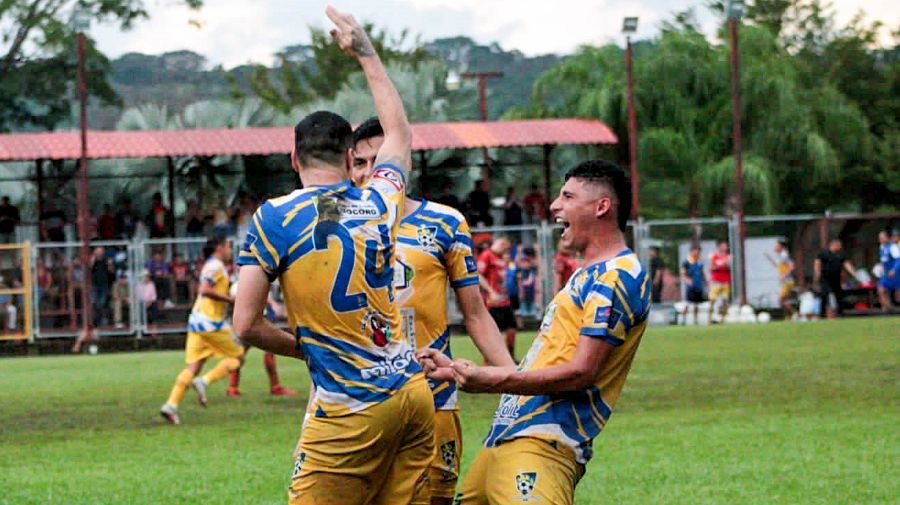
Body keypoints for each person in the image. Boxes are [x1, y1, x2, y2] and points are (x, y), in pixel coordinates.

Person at [232, 9, 433, 504]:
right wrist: (366, 53)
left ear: (294, 159)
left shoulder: (275, 217)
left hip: (350, 406)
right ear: (349, 160)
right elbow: (400, 134)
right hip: (411, 395)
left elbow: (245, 325)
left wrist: (306, 348)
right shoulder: (379, 198)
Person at [419, 160, 651, 505]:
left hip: (541, 446)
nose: (554, 205)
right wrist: (457, 371)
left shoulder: (617, 276)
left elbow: (581, 372)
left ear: (602, 206)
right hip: (505, 440)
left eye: (567, 196)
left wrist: (492, 381)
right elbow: (547, 362)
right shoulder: (587, 274)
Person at [346, 116, 515, 504]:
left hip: (435, 395)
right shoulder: (335, 226)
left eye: (380, 160)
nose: (369, 172)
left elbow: (475, 314)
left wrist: (514, 382)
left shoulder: (445, 223)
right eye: (360, 162)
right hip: (361, 399)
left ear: (402, 161)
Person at [159, 236, 244, 425]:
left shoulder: (211, 265)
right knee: (238, 357)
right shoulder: (216, 266)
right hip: (210, 323)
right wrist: (230, 300)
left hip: (196, 321)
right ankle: (204, 381)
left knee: (194, 366)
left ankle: (171, 405)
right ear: (219, 248)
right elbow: (204, 290)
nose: (230, 250)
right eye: (228, 246)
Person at [227, 286, 296, 397]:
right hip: (254, 322)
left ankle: (232, 388)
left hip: (248, 322)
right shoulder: (241, 284)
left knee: (241, 354)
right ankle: (275, 387)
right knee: (264, 353)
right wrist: (272, 303)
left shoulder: (238, 284)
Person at [479, 236, 518, 362]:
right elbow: (478, 275)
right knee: (493, 334)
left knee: (512, 329)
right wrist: (491, 292)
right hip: (493, 303)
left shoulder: (501, 258)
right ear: (502, 244)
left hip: (505, 300)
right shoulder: (487, 255)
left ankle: (511, 359)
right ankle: (487, 362)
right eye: (506, 248)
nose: (507, 252)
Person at [813, 238, 857, 319]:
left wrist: (855, 273)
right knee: (825, 295)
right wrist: (817, 273)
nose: (840, 247)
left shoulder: (841, 254)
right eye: (839, 245)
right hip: (825, 278)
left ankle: (840, 313)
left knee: (838, 296)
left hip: (836, 279)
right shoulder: (824, 253)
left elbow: (847, 264)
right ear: (833, 245)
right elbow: (817, 263)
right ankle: (822, 314)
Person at [765, 240, 795, 319]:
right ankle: (788, 317)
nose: (775, 247)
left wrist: (784, 275)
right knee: (784, 301)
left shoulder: (784, 255)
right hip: (785, 282)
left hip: (788, 281)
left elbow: (792, 266)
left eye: (776, 246)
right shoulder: (781, 256)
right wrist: (769, 257)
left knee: (780, 300)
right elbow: (777, 265)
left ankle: (795, 314)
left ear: (781, 247)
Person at [680, 245, 705, 324]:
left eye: (698, 251)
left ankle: (696, 320)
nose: (696, 253)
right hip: (691, 287)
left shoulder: (699, 262)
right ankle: (683, 320)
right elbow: (683, 273)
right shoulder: (686, 262)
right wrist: (687, 280)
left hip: (698, 285)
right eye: (695, 250)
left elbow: (702, 273)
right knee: (687, 304)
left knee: (697, 305)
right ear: (691, 251)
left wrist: (706, 281)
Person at [90, 247, 113, 327]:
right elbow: (88, 269)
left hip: (104, 285)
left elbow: (111, 271)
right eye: (98, 251)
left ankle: (101, 322)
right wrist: (92, 260)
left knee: (102, 304)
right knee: (94, 303)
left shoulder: (106, 260)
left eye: (101, 251)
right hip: (94, 285)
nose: (99, 253)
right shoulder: (93, 261)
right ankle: (95, 321)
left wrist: (110, 265)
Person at [708, 240, 731, 321]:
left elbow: (730, 268)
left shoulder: (728, 256)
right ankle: (710, 318)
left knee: (725, 300)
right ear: (719, 246)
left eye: (726, 246)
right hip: (716, 281)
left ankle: (722, 319)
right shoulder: (714, 256)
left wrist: (726, 264)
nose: (725, 247)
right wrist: (719, 265)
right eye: (723, 246)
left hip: (725, 281)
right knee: (712, 300)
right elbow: (711, 268)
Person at [877, 230, 899, 312]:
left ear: (887, 238)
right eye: (879, 238)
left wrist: (894, 270)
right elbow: (884, 260)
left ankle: (890, 309)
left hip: (895, 274)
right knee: (881, 290)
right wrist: (881, 266)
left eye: (882, 238)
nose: (880, 239)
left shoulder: (893, 247)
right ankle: (886, 309)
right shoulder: (881, 247)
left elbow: (898, 260)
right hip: (886, 274)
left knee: (898, 296)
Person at [516, 247, 539, 318]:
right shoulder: (520, 269)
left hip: (532, 293)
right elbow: (519, 280)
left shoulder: (533, 268)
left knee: (533, 311)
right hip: (524, 293)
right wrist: (520, 291)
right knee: (524, 312)